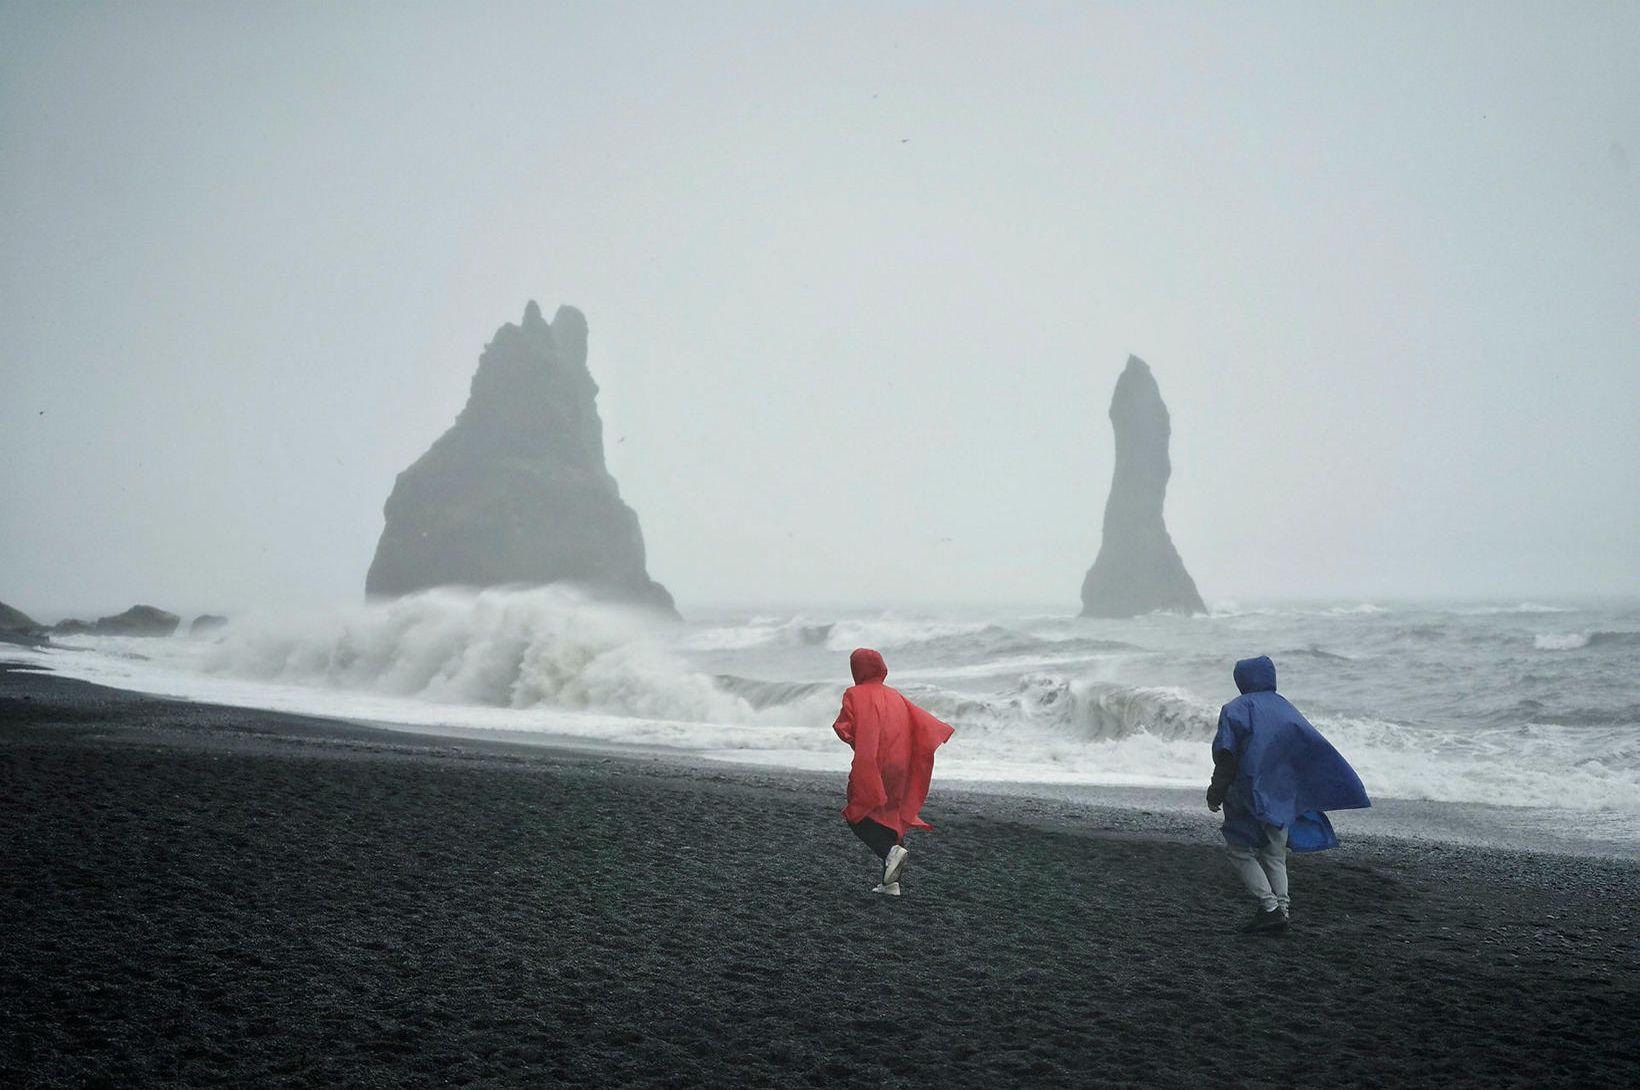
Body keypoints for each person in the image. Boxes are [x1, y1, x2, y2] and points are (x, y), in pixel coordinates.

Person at [1206, 655, 1371, 933]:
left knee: (1239, 849)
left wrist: (1216, 791)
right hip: (1283, 794)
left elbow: (1227, 755)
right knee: (1275, 853)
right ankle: (1282, 909)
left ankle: (1269, 907)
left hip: (1248, 792)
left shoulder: (1235, 709)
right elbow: (1307, 748)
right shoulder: (1286, 708)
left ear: (1241, 680)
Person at [832, 647, 955, 896]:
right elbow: (917, 724)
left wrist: (857, 737)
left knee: (858, 813)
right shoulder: (896, 696)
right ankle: (890, 884)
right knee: (890, 818)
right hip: (900, 767)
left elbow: (845, 729)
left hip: (873, 763)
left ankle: (890, 853)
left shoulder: (854, 694)